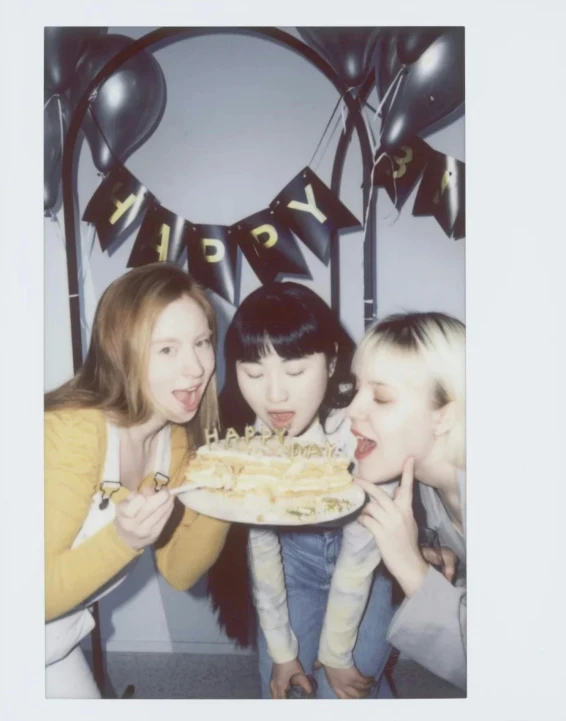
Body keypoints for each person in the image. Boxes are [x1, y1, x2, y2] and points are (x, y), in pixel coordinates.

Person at [44, 263, 230, 698]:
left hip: (55, 639)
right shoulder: (72, 432)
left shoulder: (174, 438)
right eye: (166, 350)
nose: (196, 369)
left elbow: (180, 571)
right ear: (119, 351)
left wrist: (224, 498)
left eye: (202, 342)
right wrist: (124, 541)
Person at [208, 282, 398, 699]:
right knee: (281, 688)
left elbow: (361, 555)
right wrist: (281, 650)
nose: (274, 394)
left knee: (347, 690)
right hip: (294, 567)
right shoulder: (253, 437)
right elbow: (261, 546)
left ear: (332, 362)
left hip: (369, 566)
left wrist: (335, 652)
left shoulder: (363, 424)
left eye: (294, 371)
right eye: (253, 373)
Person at [350, 311, 466, 690]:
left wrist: (410, 568)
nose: (353, 409)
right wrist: (429, 552)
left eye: (381, 397)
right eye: (356, 389)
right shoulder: (429, 488)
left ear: (443, 417)